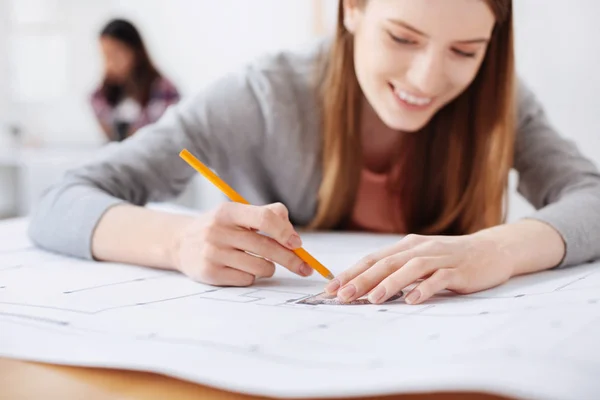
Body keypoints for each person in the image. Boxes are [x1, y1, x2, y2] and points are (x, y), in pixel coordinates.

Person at [29, 0, 600, 306]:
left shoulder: (498, 100)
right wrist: (178, 241)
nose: (427, 78)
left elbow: (591, 197)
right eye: (402, 38)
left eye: (465, 50)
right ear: (351, 8)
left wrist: (494, 250)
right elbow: (60, 201)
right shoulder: (263, 95)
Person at [90, 19, 180, 142]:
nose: (109, 64)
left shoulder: (164, 90)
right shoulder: (103, 96)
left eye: (115, 54)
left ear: (135, 51)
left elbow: (164, 139)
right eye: (105, 56)